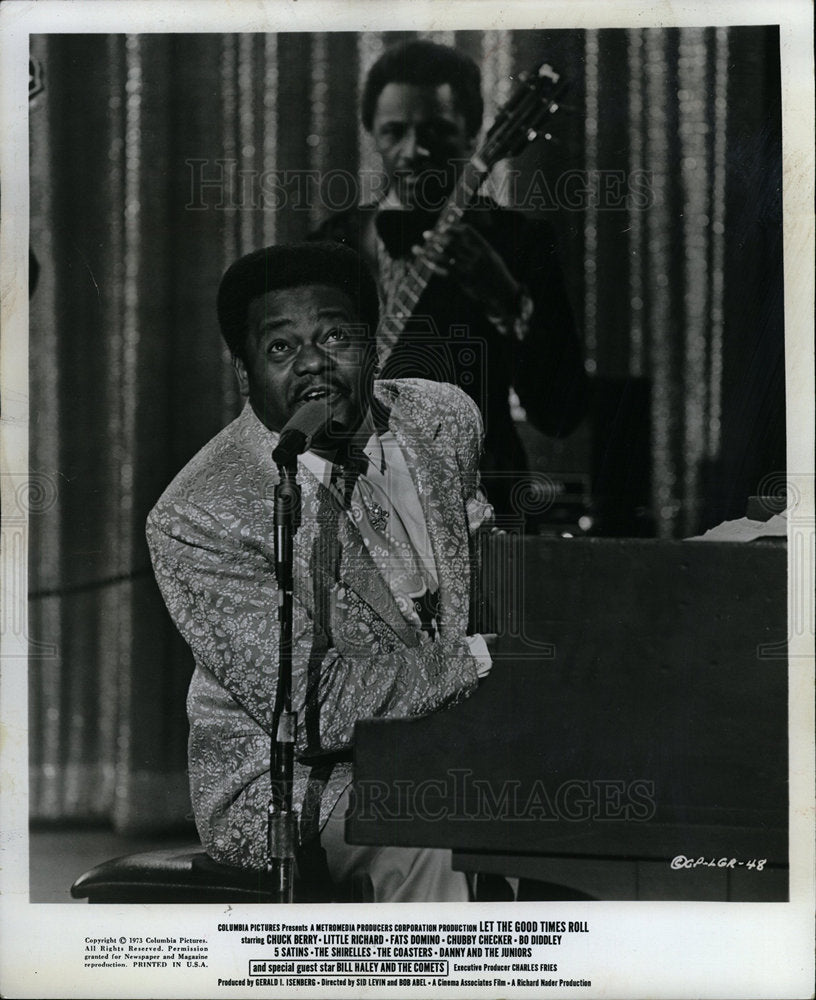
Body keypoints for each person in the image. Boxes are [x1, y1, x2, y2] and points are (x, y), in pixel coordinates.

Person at [146, 241, 495, 902]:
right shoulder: (199, 513)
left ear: (373, 342)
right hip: (298, 781)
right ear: (244, 366)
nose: (312, 363)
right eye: (280, 348)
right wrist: (475, 663)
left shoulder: (444, 419)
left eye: (336, 335)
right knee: (427, 826)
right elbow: (315, 711)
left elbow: (485, 563)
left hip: (455, 734)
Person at [309, 38, 589, 523]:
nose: (414, 150)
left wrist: (507, 299)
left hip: (477, 506)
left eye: (437, 130)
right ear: (371, 131)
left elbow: (560, 414)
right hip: (356, 509)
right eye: (395, 131)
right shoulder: (333, 242)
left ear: (475, 133)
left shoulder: (521, 242)